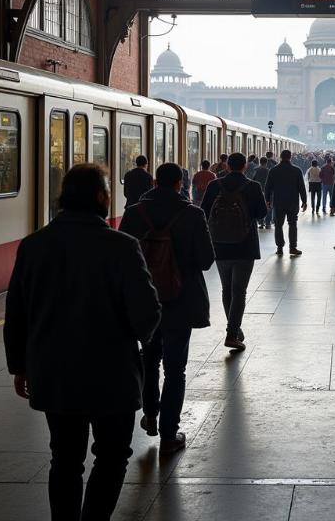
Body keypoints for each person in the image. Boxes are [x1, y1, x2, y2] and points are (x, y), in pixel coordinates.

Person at [4, 164, 160, 521]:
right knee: (111, 456)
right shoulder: (122, 247)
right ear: (101, 197)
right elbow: (146, 315)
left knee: (64, 458)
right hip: (113, 375)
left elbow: (16, 313)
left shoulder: (33, 246)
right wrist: (143, 336)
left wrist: (20, 366)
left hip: (53, 372)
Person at [120, 162, 215, 454]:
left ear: (154, 182)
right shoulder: (193, 214)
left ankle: (150, 413)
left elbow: (122, 256)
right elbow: (205, 261)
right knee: (176, 369)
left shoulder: (135, 213)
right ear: (179, 184)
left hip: (144, 301)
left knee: (149, 358)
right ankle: (169, 435)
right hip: (180, 300)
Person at [201, 152, 268, 351]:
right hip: (245, 245)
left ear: (227, 166)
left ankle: (234, 329)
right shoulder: (253, 187)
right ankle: (232, 332)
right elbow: (262, 213)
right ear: (245, 166)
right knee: (239, 291)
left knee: (226, 289)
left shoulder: (214, 185)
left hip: (220, 244)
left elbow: (203, 210)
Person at [264, 150, 308, 257]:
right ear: (290, 157)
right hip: (293, 202)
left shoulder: (273, 170)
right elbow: (302, 187)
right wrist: (304, 201)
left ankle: (280, 248)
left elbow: (268, 187)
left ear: (280, 157)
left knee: (278, 225)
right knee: (292, 224)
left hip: (278, 202)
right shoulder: (296, 170)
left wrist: (267, 200)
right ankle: (293, 247)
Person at [252, 157, 271, 229]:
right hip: (267, 190)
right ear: (266, 163)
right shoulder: (268, 171)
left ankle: (261, 222)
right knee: (268, 205)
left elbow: (253, 180)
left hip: (258, 190)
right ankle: (268, 223)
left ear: (260, 162)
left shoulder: (255, 170)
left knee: (259, 205)